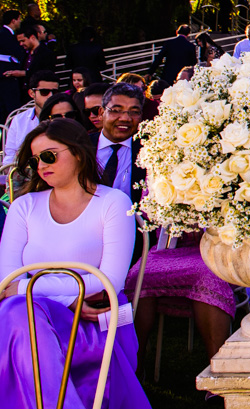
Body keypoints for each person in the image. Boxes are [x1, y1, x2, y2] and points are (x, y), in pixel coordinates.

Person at [0, 119, 151, 409]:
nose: (41, 165)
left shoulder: (114, 203)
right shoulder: (24, 206)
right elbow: (7, 280)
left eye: (49, 155)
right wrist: (71, 300)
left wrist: (30, 289)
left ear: (79, 153)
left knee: (18, 311)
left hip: (99, 315)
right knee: (19, 313)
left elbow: (110, 282)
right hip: (38, 313)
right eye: (35, 159)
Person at [127, 228, 235, 367]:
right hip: (167, 248)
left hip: (213, 247)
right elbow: (149, 213)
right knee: (138, 278)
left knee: (208, 278)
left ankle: (218, 370)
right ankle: (134, 369)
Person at [92, 83, 146, 204]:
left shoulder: (149, 150)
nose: (125, 118)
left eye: (134, 112)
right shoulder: (81, 146)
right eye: (116, 110)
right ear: (101, 113)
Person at [2, 71, 59, 171]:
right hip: (25, 174)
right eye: (44, 92)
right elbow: (10, 154)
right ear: (32, 93)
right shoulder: (19, 120)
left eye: (55, 92)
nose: (51, 96)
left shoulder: (65, 117)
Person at [0, 9, 24, 121]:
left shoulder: (8, 35)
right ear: (13, 20)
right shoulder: (4, 35)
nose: (20, 22)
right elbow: (17, 53)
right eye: (19, 19)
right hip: (6, 77)